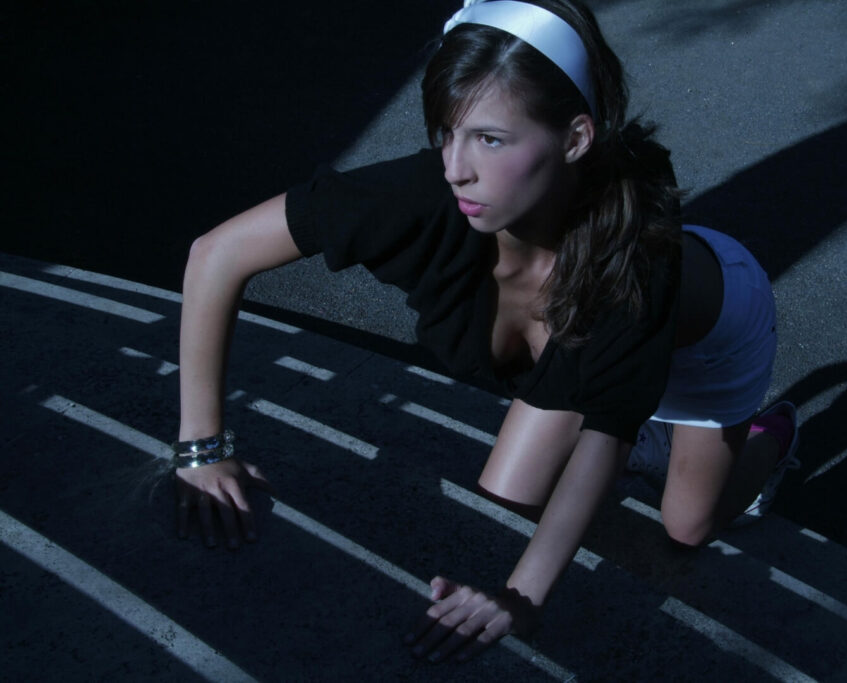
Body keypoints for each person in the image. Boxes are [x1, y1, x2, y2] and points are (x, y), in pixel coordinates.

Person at [171, 0, 800, 663]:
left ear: (575, 138)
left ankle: (771, 436)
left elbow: (606, 433)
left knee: (687, 526)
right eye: (448, 132)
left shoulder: (636, 256)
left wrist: (521, 598)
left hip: (709, 336)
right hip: (590, 348)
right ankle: (662, 432)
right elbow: (217, 253)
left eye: (491, 139)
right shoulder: (433, 195)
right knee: (502, 503)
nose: (456, 168)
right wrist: (200, 450)